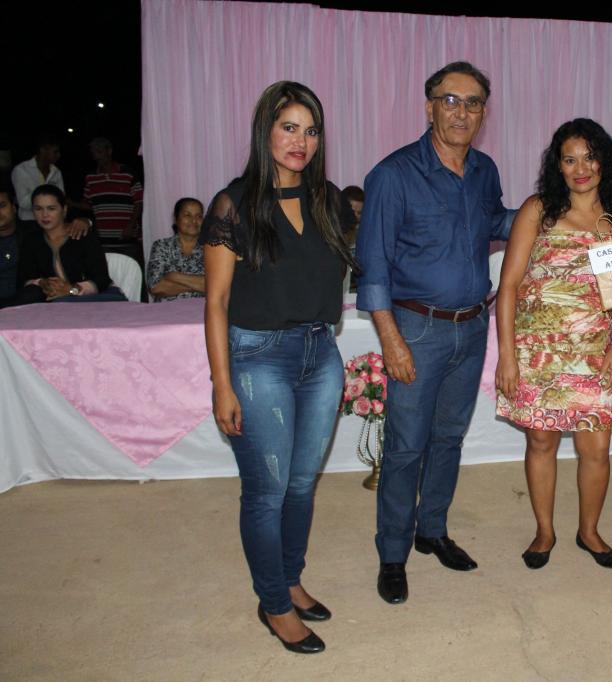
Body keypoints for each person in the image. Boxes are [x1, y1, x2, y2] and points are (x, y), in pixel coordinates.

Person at [201, 81, 358, 654]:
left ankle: (290, 580)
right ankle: (273, 604)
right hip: (257, 358)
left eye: (311, 130)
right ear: (265, 131)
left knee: (301, 485)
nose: (301, 141)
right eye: (289, 127)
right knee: (266, 492)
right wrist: (222, 385)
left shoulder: (329, 200)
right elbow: (216, 302)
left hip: (321, 354)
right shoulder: (234, 203)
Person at [356, 61, 515, 605]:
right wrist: (390, 340)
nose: (461, 112)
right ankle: (393, 553)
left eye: (473, 103)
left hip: (472, 328)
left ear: (484, 113)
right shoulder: (393, 174)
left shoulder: (485, 170)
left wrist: (556, 211)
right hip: (415, 331)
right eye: (450, 100)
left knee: (449, 438)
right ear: (429, 107)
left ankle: (432, 530)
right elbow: (373, 265)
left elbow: (497, 223)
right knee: (405, 447)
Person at [495, 119, 612, 570]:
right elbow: (509, 285)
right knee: (541, 441)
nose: (581, 168)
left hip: (593, 352)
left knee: (596, 449)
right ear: (557, 165)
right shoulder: (538, 210)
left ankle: (589, 531)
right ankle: (544, 531)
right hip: (537, 351)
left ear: (604, 160)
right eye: (570, 159)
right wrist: (507, 355)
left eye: (589, 158)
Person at [16, 184, 126, 303]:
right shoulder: (32, 241)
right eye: (38, 209)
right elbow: (24, 279)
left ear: (64, 210)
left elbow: (101, 280)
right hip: (53, 299)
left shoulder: (81, 235)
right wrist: (42, 283)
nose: (44, 215)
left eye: (51, 208)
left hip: (94, 298)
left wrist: (71, 290)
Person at [82, 137, 144, 242]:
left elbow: (139, 201)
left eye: (99, 152)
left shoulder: (127, 173)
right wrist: (70, 203)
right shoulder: (91, 177)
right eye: (93, 153)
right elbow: (89, 205)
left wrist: (131, 225)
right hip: (102, 238)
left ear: (109, 151)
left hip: (127, 236)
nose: (96, 156)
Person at [147, 197, 205, 301]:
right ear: (176, 219)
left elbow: (216, 285)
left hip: (201, 308)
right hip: (166, 308)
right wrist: (198, 285)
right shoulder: (162, 246)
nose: (194, 220)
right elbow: (155, 287)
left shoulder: (211, 249)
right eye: (187, 215)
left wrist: (174, 276)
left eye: (199, 216)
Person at [0, 182, 21, 308]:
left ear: (13, 208)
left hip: (27, 303)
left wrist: (83, 221)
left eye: (2, 206)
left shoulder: (33, 232)